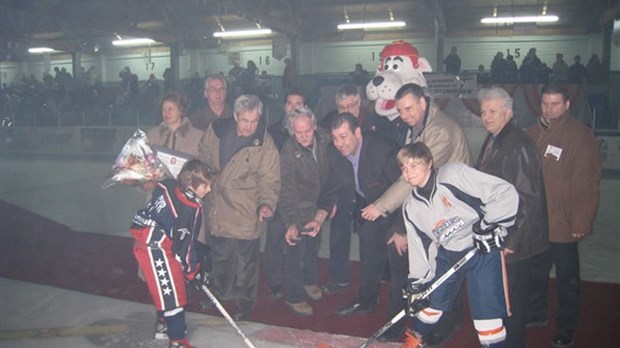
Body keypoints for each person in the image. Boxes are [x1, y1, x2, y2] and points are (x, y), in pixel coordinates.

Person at [361, 82, 471, 344]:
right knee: (437, 266)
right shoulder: (419, 126)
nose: (405, 115)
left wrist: (382, 206)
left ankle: (436, 323)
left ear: (423, 102)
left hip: (449, 210)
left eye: (409, 108)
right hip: (434, 205)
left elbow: (412, 177)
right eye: (400, 110)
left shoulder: (440, 131)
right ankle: (434, 319)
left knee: (442, 268)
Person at [398, 142, 519, 348]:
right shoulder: (411, 208)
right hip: (448, 255)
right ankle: (412, 344)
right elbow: (421, 247)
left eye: (414, 166)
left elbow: (503, 192)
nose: (409, 173)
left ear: (429, 164)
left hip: (481, 253)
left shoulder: (453, 175)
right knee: (427, 307)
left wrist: (489, 225)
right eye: (404, 168)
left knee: (487, 324)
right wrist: (418, 282)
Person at [526, 83, 602, 348]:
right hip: (538, 221)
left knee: (567, 279)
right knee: (536, 271)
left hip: (564, 223)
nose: (549, 109)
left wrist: (582, 221)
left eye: (555, 104)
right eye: (546, 103)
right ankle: (536, 314)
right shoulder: (534, 132)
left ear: (567, 105)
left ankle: (566, 326)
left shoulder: (580, 136)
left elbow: (587, 182)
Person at [305, 113, 401, 317]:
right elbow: (331, 187)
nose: (339, 143)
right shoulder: (335, 151)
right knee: (368, 248)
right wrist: (318, 219)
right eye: (335, 137)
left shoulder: (383, 149)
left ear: (357, 132)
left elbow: (406, 189)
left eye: (344, 136)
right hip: (367, 207)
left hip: (396, 208)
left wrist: (401, 230)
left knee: (400, 260)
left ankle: (401, 312)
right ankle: (367, 301)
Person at [476, 87, 549, 348]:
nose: (486, 117)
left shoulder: (519, 144)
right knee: (501, 302)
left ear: (508, 112)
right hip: (499, 233)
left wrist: (511, 242)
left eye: (493, 111)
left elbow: (529, 199)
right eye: (484, 112)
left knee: (513, 306)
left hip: (515, 242)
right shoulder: (494, 139)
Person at [198, 94, 280, 321]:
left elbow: (270, 179)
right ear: (235, 115)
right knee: (221, 256)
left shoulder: (265, 142)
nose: (250, 126)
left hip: (246, 210)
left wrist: (266, 204)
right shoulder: (215, 131)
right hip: (217, 207)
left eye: (255, 121)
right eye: (245, 120)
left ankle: (244, 304)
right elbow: (203, 154)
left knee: (246, 264)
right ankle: (221, 293)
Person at [130, 159, 216, 348]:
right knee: (174, 294)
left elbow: (159, 185)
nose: (208, 190)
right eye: (205, 186)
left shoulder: (169, 184)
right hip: (156, 249)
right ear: (190, 184)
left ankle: (162, 325)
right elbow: (183, 250)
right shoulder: (189, 210)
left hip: (148, 242)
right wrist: (194, 272)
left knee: (163, 288)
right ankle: (177, 340)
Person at [280, 107, 331, 316]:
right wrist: (291, 222)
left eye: (307, 131)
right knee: (295, 251)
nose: (303, 136)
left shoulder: (326, 139)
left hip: (318, 202)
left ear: (315, 126)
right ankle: (293, 296)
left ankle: (310, 281)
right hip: (298, 206)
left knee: (313, 246)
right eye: (297, 132)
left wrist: (329, 203)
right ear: (292, 131)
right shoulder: (288, 152)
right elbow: (287, 190)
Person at [263, 89, 308, 300]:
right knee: (274, 239)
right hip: (277, 194)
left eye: (298, 103)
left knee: (297, 242)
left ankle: (296, 282)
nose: (294, 107)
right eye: (290, 103)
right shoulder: (272, 132)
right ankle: (273, 282)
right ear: (284, 106)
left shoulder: (310, 131)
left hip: (301, 197)